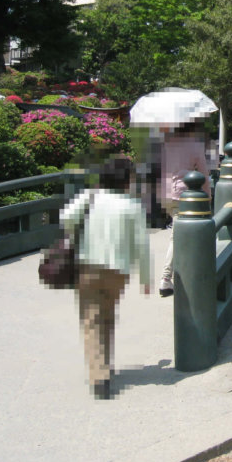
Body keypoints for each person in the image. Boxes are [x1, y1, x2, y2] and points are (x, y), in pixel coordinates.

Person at [59, 155, 151, 399]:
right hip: (118, 271)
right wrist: (146, 277)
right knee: (107, 316)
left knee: (91, 319)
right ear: (127, 180)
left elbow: (66, 218)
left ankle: (99, 376)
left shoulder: (90, 197)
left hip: (88, 265)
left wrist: (81, 231)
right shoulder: (132, 206)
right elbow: (142, 244)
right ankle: (105, 365)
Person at [157, 120, 212, 297]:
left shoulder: (166, 144)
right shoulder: (194, 145)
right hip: (185, 196)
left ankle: (181, 272)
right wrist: (208, 196)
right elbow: (204, 173)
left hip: (165, 194)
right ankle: (166, 278)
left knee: (178, 233)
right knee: (177, 236)